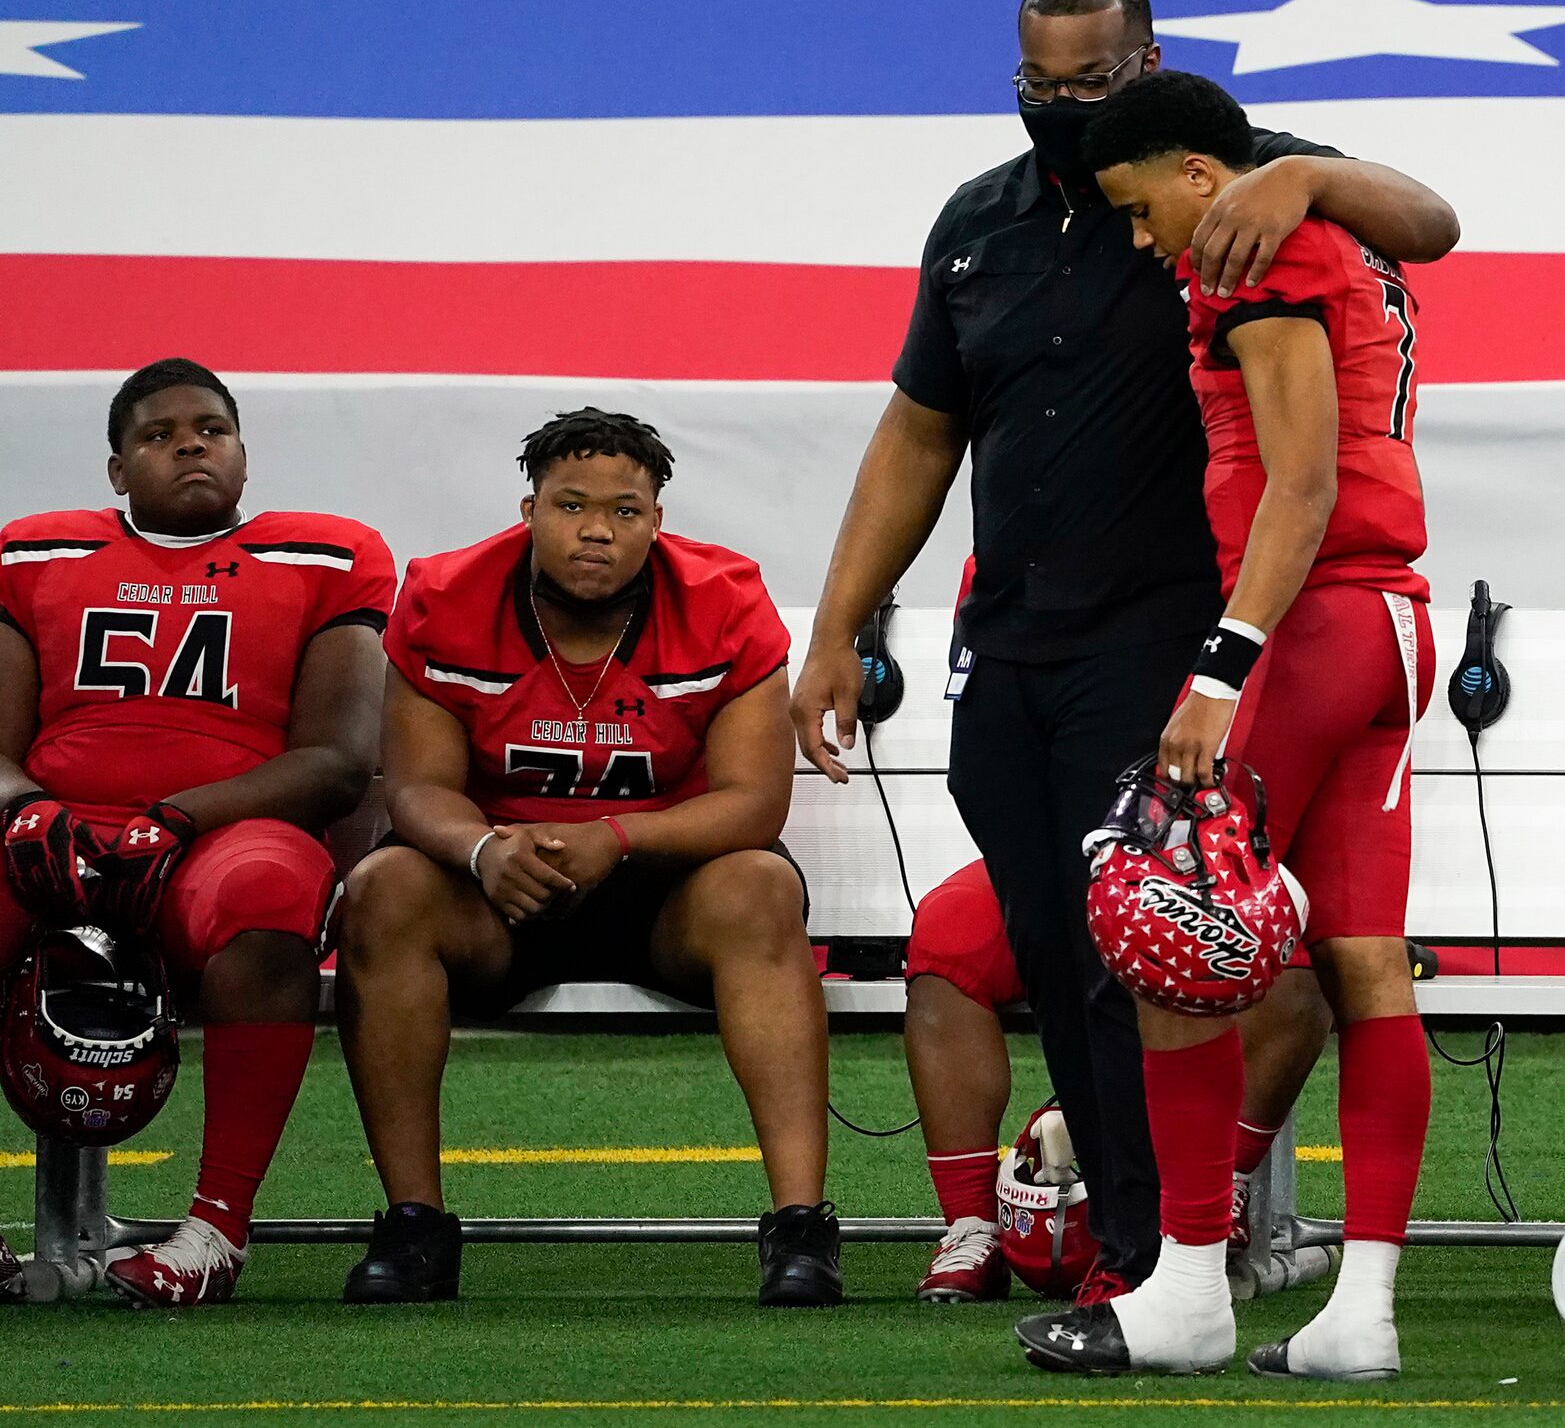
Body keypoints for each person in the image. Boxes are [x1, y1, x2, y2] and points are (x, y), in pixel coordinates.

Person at [791, 0, 1458, 1296]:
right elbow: (919, 432)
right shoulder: (977, 219)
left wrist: (1302, 178)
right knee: (1051, 944)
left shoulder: (1228, 178)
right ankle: (1133, 1234)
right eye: (1034, 87)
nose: (1058, 111)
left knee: (1138, 944)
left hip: (1172, 629)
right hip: (1012, 627)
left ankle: (1167, 1258)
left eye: (1088, 85)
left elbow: (1430, 222)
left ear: (1147, 64)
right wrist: (834, 625)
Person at [1017, 71, 1437, 1380]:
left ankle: (1185, 1288)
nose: (1141, 242)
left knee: (1167, 934)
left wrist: (1219, 666)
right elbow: (1428, 221)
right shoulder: (1332, 234)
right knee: (1365, 967)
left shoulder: (1252, 251)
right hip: (1390, 623)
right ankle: (1359, 1312)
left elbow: (1299, 485)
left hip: (1308, 623)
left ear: (1197, 176)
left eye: (1140, 210)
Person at [337, 410, 831, 1306]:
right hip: (499, 894)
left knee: (759, 886)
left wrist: (620, 838)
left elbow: (755, 804)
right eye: (571, 505)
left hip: (664, 892)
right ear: (528, 509)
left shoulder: (723, 598)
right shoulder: (446, 595)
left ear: (656, 520)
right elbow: (416, 789)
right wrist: (482, 848)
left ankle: (801, 1227)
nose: (597, 529)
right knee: (383, 888)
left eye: (625, 511)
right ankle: (414, 1225)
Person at [0, 359, 392, 1307]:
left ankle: (215, 1228)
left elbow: (339, 760)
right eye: (158, 434)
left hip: (221, 832)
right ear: (116, 468)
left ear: (245, 458)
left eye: (212, 429)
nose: (189, 444)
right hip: (54, 831)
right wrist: (24, 809)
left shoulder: (327, 557)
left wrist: (177, 818)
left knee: (268, 894)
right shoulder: (32, 554)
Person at [904, 854, 1334, 1302]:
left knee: (1304, 939)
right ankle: (972, 1225)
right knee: (950, 927)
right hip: (1082, 851)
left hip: (1212, 852)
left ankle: (1223, 1184)